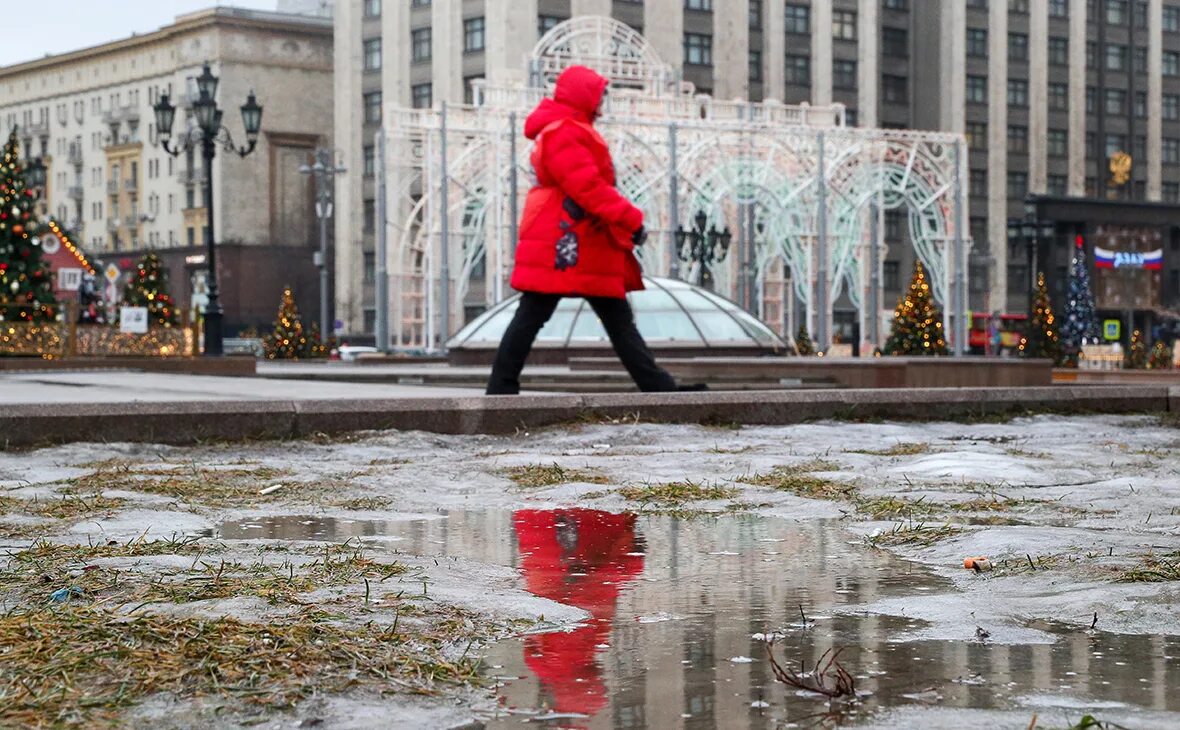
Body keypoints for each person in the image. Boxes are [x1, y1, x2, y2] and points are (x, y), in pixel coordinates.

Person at [486, 65, 681, 395]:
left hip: (576, 239)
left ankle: (658, 386)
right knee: (544, 314)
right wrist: (630, 218)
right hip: (568, 240)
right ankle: (501, 388)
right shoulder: (566, 131)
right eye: (599, 94)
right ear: (584, 96)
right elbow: (587, 186)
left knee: (600, 317)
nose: (603, 101)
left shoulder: (570, 128)